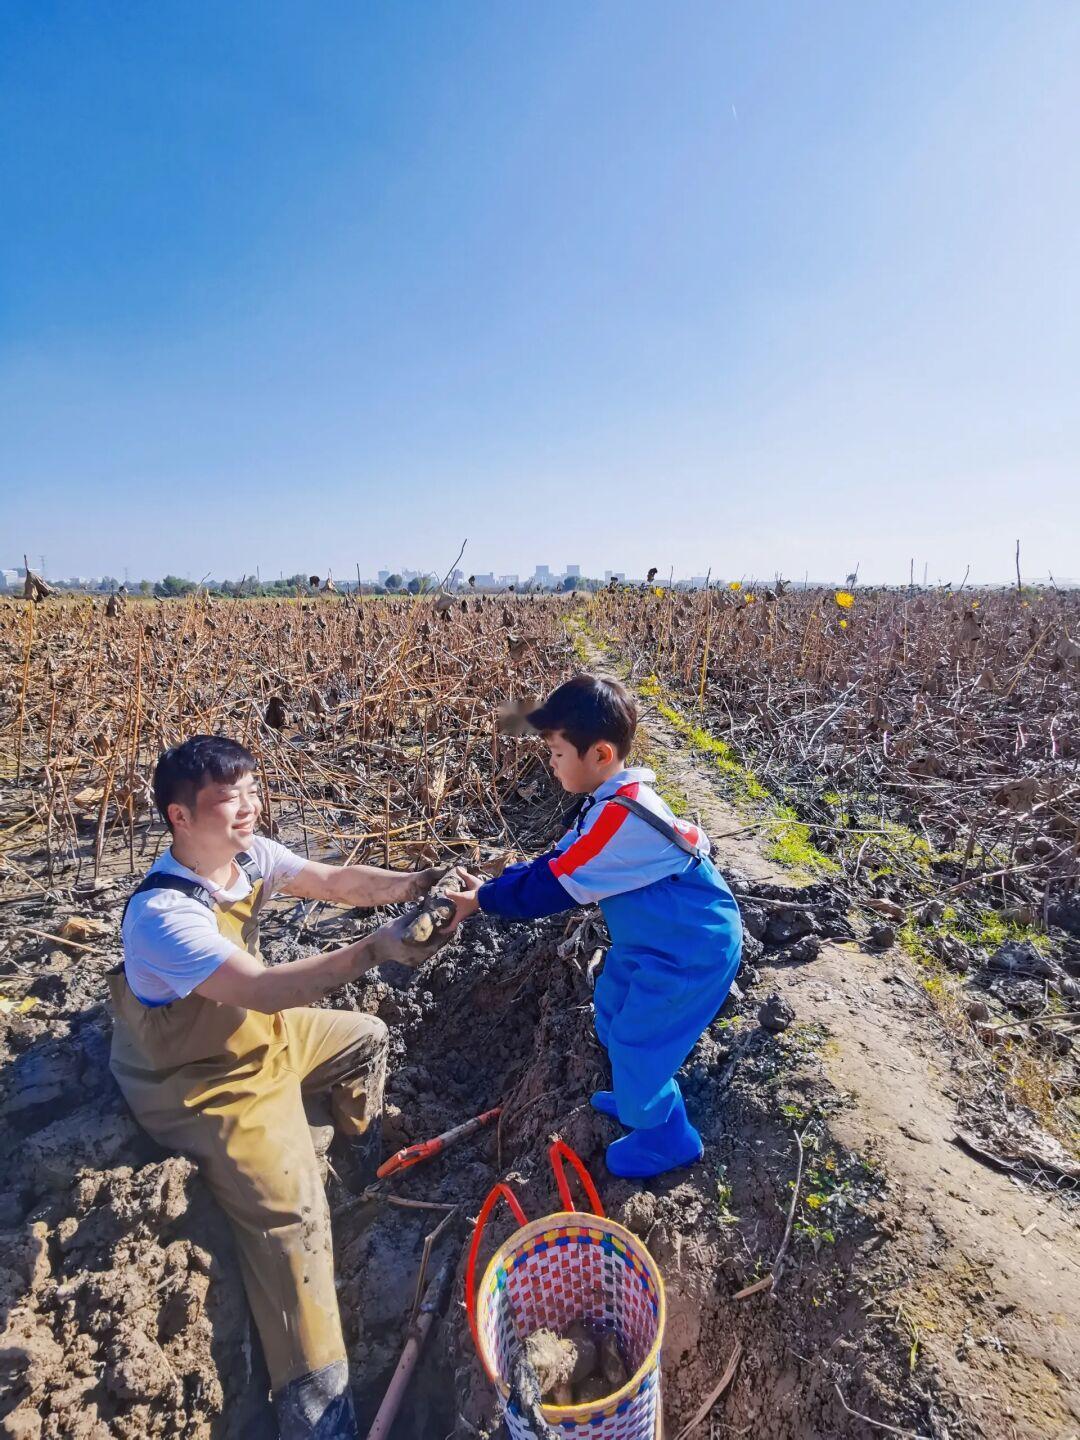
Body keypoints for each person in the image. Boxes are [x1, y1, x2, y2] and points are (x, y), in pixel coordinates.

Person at [109, 734, 454, 1440]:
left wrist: (418, 888)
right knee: (293, 1222)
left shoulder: (249, 857)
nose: (249, 809)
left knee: (366, 1040)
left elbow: (333, 882)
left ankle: (357, 1168)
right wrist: (376, 949)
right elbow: (264, 990)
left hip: (262, 1037)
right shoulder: (163, 916)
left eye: (253, 791)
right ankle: (316, 1415)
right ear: (179, 817)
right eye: (228, 800)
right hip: (203, 1085)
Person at [452, 674, 742, 1180]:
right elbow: (558, 860)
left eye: (557, 753)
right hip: (653, 942)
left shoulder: (620, 818)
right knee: (610, 1009)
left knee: (638, 1040)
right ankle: (638, 1091)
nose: (550, 762)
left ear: (601, 754)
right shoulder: (607, 803)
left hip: (692, 948)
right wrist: (496, 884)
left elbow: (552, 886)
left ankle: (666, 1135)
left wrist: (481, 900)